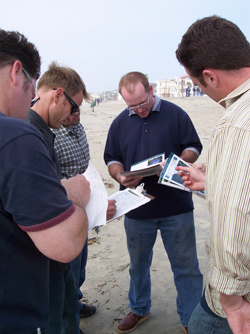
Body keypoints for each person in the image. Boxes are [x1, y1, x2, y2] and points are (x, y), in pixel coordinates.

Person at [0, 30, 90, 334]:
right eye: (30, 89)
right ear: (16, 72)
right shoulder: (16, 135)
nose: (31, 99)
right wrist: (74, 195)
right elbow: (65, 244)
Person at [104, 71, 203, 334]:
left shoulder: (176, 113)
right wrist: (120, 175)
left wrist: (177, 163)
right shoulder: (119, 123)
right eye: (131, 106)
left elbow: (194, 147)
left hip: (176, 206)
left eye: (141, 103)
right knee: (138, 266)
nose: (138, 110)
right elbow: (111, 158)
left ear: (149, 89)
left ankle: (190, 319)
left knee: (186, 267)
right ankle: (139, 308)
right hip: (136, 207)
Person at [175, 15, 250, 334]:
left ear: (209, 76)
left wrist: (230, 298)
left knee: (200, 325)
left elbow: (236, 213)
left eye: (197, 86)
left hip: (236, 299)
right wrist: (214, 182)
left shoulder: (237, 122)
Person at [25, 61, 90, 334]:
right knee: (55, 320)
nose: (71, 116)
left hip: (57, 257)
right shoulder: (27, 133)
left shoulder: (42, 131)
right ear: (58, 94)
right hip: (46, 254)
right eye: (73, 107)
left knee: (67, 309)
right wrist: (70, 191)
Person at [52, 103, 116, 333]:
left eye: (79, 110)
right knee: (65, 274)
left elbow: (84, 165)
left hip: (84, 208)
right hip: (65, 211)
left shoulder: (78, 128)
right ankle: (69, 321)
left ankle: (75, 304)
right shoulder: (49, 131)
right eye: (72, 112)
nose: (77, 115)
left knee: (79, 267)